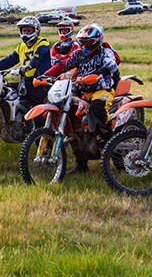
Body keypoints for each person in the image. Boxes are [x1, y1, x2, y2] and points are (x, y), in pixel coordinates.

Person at [44, 23, 120, 173]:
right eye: (83, 42)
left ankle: (111, 136)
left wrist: (97, 73)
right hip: (81, 90)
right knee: (73, 121)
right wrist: (47, 75)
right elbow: (65, 65)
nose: (85, 45)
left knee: (97, 108)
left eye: (89, 42)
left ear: (97, 40)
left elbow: (112, 65)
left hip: (102, 90)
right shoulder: (79, 54)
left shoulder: (105, 52)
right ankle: (81, 165)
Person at [0, 16, 51, 107]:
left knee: (38, 109)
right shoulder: (22, 46)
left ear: (36, 30)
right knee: (6, 90)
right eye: (23, 31)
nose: (25, 33)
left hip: (40, 81)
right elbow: (9, 60)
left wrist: (28, 67)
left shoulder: (43, 42)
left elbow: (37, 58)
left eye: (28, 31)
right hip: (26, 81)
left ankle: (40, 121)